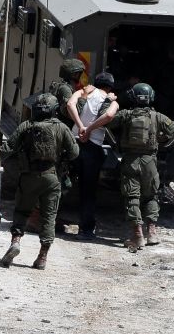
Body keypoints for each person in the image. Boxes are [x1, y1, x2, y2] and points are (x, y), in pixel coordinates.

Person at [105, 83, 174, 251]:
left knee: (132, 197)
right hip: (150, 162)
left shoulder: (125, 115)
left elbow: (105, 118)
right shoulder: (158, 117)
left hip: (130, 161)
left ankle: (137, 235)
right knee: (151, 196)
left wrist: (108, 100)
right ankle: (152, 233)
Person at [0, 93, 79, 270]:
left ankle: (16, 241)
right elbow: (74, 153)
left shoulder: (26, 125)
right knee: (49, 217)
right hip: (52, 178)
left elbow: (7, 149)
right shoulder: (62, 128)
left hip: (28, 176)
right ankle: (42, 258)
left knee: (21, 211)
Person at [67, 72, 118, 239]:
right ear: (110, 87)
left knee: (61, 184)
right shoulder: (112, 101)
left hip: (73, 143)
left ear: (95, 83)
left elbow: (70, 104)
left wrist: (80, 126)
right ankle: (86, 230)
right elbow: (109, 115)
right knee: (88, 191)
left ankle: (44, 220)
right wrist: (89, 130)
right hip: (92, 148)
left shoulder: (83, 92)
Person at [49, 58, 86, 128]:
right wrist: (84, 97)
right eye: (79, 74)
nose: (80, 77)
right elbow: (72, 114)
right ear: (74, 75)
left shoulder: (63, 87)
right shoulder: (65, 89)